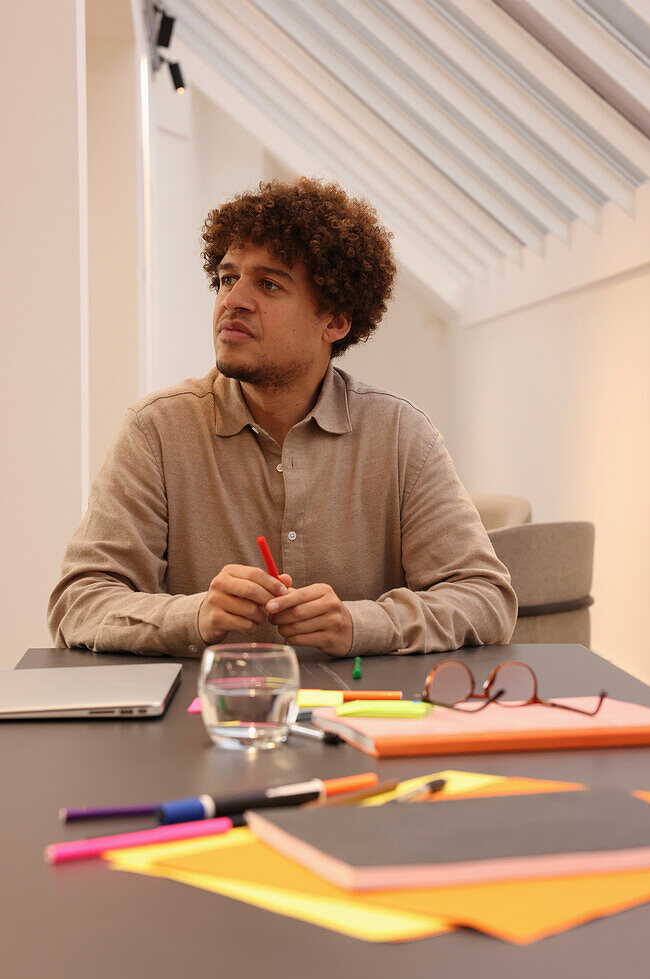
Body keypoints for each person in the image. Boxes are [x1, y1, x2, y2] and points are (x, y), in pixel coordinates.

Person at [48, 178, 517, 659]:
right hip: (207, 721)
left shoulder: (399, 435)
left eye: (268, 284)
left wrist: (361, 623)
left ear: (334, 321)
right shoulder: (157, 430)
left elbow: (485, 598)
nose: (233, 300)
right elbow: (78, 603)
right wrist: (194, 615)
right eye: (228, 278)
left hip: (359, 721)